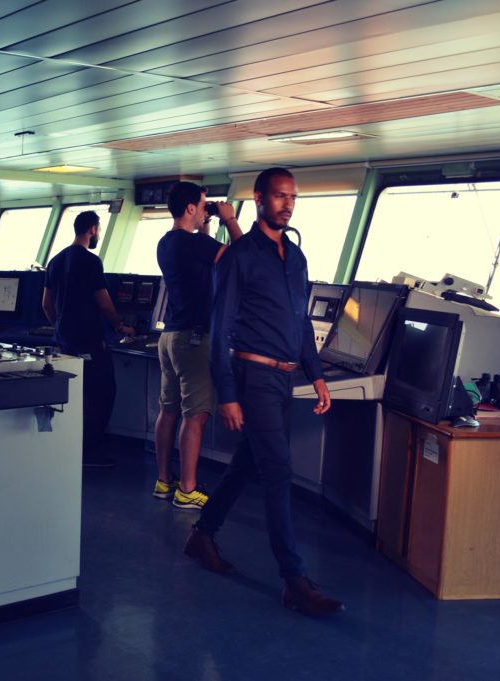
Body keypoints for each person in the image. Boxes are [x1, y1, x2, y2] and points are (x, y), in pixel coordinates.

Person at [183, 168, 344, 616]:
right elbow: (219, 331)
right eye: (278, 196)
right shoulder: (239, 256)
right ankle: (294, 579)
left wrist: (315, 374)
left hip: (283, 378)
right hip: (251, 377)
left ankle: (202, 535)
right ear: (258, 199)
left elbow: (300, 323)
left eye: (292, 196)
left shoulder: (296, 258)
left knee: (246, 465)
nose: (287, 203)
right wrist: (228, 393)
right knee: (278, 471)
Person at [153, 182, 243, 509]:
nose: (206, 209)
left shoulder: (167, 242)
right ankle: (187, 489)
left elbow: (204, 259)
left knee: (168, 410)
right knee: (196, 415)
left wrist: (205, 226)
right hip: (193, 341)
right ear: (190, 208)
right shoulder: (194, 244)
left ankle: (165, 481)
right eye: (203, 205)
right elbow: (243, 255)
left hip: (170, 337)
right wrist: (229, 219)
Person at [43, 210, 133, 467]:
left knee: (75, 396)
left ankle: (73, 448)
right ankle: (91, 453)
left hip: (64, 341)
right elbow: (104, 302)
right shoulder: (90, 261)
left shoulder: (55, 261)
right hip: (90, 341)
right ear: (92, 229)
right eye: (99, 230)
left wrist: (61, 328)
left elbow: (46, 304)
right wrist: (120, 325)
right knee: (102, 394)